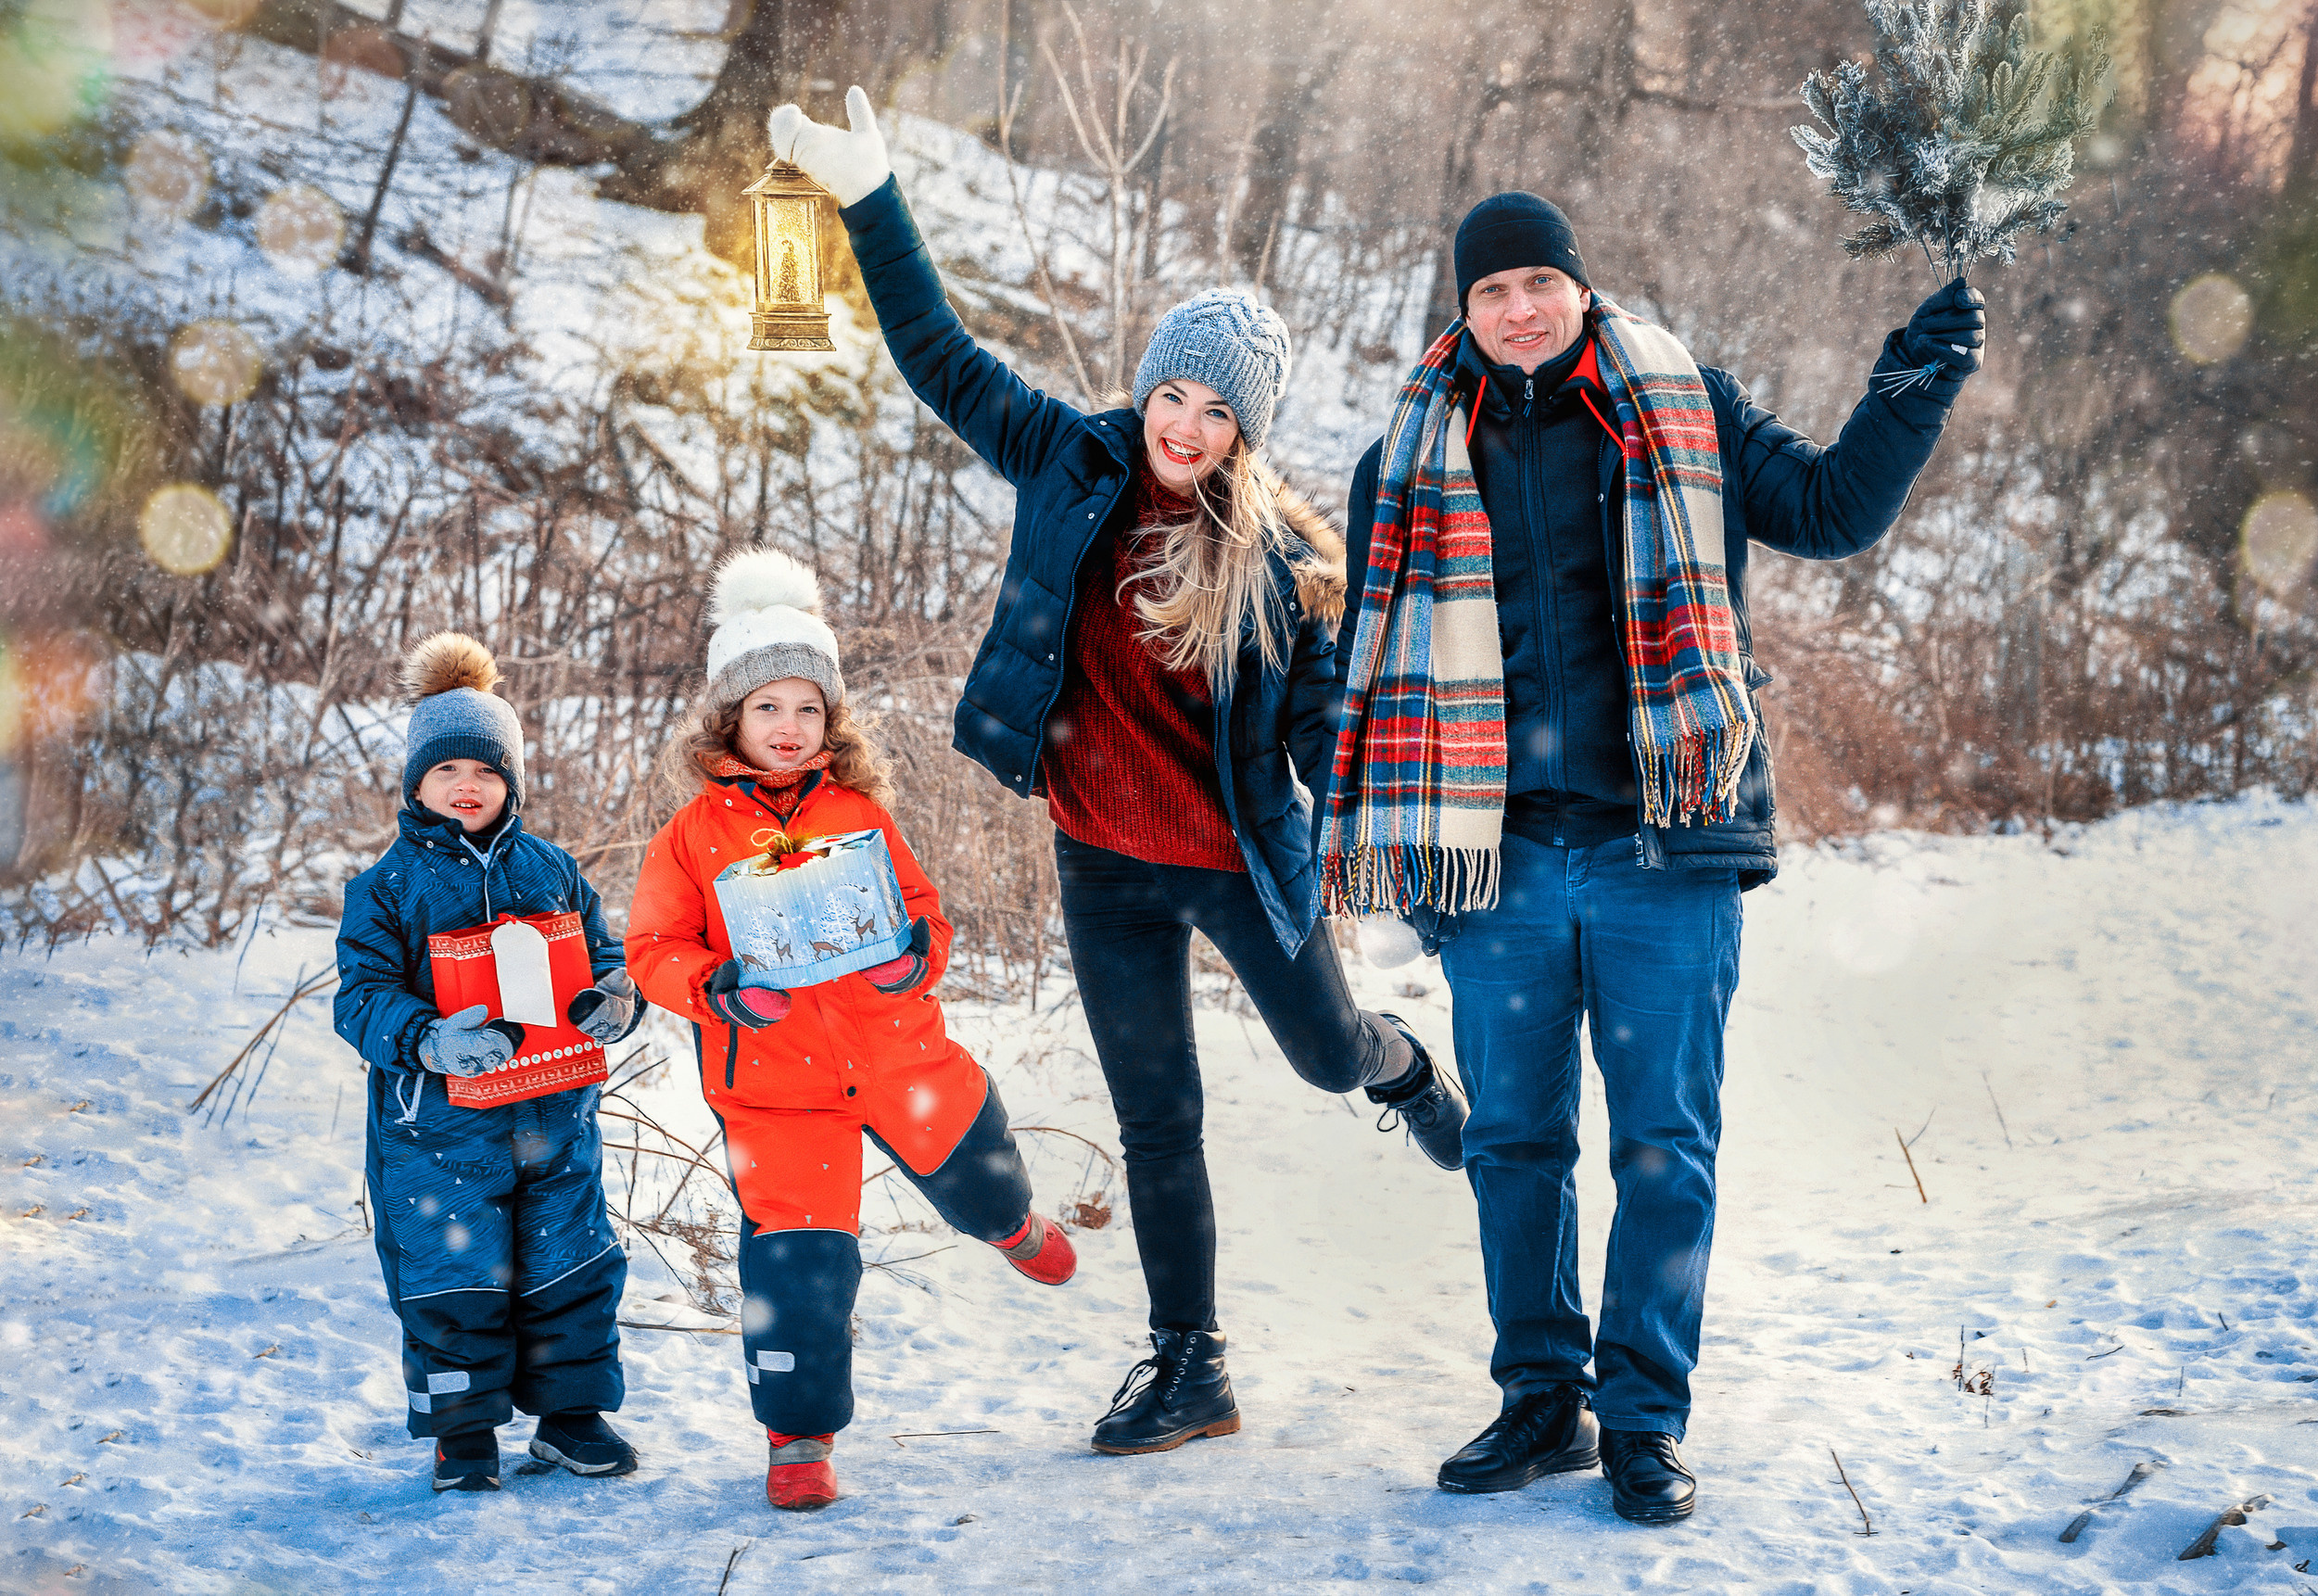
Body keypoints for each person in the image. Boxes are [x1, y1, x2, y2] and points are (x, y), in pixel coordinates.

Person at [769, 87, 1471, 1457]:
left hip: (1235, 862)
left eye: (1218, 409)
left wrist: (1410, 842)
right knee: (1160, 1119)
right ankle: (1190, 1365)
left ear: (1245, 431)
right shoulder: (1068, 459)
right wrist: (871, 200)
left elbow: (1325, 743)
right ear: (1147, 385)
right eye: (1174, 391)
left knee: (1327, 1054)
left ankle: (1401, 1069)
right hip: (1102, 864)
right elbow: (939, 356)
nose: (1186, 424)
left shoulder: (1279, 570)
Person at [1324, 191, 1986, 1522]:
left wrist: (1912, 377)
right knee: (1514, 1142)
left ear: (1580, 286)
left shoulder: (1684, 404)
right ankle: (1538, 1400)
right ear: (1465, 308)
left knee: (1665, 1146)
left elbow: (1833, 507)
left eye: (1540, 283)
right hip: (1496, 861)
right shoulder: (1403, 451)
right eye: (1493, 288)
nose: (1520, 308)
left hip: (1661, 849)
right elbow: (1372, 657)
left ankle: (1642, 1419)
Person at [626, 550, 1075, 1512]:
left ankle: (1009, 1223)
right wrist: (717, 987)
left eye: (806, 709)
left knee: (975, 1158)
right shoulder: (692, 837)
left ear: (828, 723)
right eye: (767, 708)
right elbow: (652, 949)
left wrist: (914, 956)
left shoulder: (857, 812)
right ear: (729, 720)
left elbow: (928, 916)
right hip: (775, 1088)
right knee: (797, 1263)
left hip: (896, 1053)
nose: (788, 729)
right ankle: (799, 1434)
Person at [334, 633, 647, 1493]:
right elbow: (358, 998)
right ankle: (461, 1433)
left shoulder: (551, 868)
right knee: (456, 1276)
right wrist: (427, 1037)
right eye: (446, 772)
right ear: (416, 786)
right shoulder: (388, 887)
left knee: (569, 1264)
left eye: (487, 771)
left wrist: (618, 997)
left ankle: (571, 1418)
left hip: (552, 1120)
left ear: (511, 782)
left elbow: (603, 956)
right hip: (435, 1134)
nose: (467, 786)